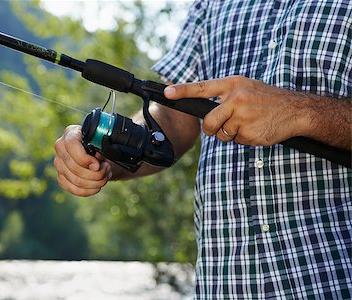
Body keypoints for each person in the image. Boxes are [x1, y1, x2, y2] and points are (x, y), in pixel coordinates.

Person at [54, 0, 351, 298]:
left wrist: (300, 112)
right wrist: (107, 147)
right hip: (223, 287)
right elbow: (172, 117)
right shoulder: (210, 4)